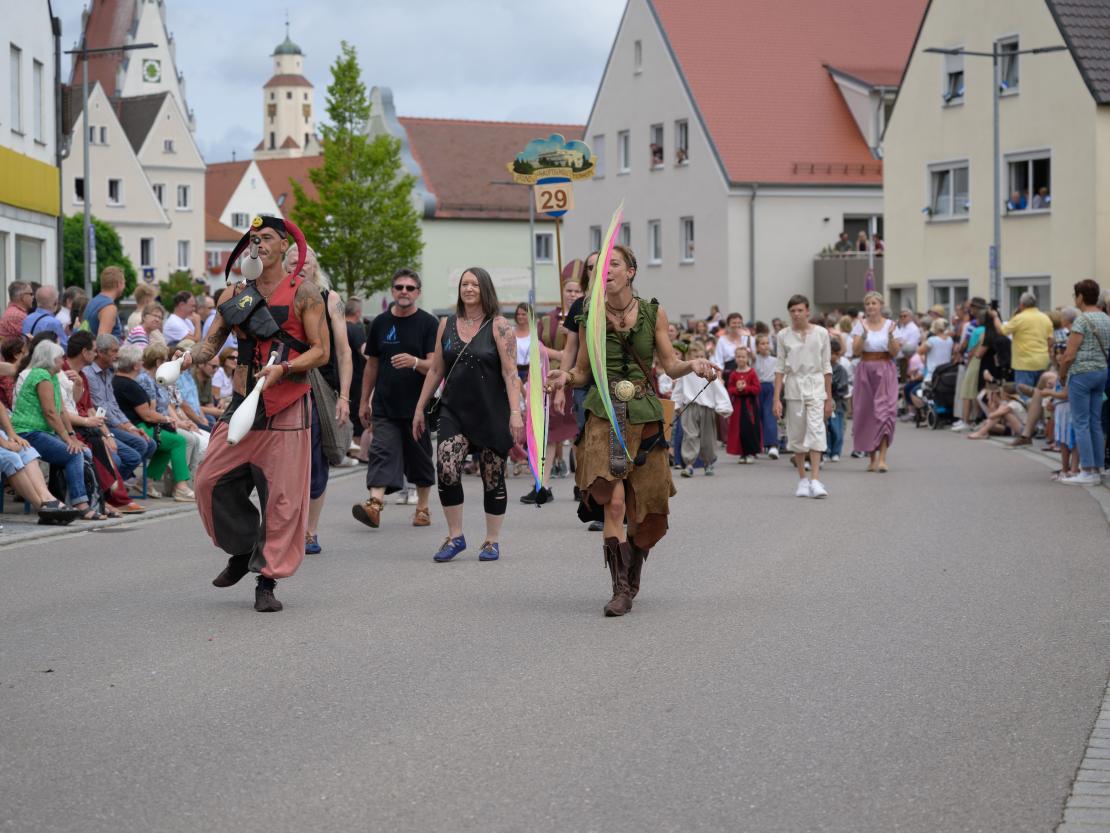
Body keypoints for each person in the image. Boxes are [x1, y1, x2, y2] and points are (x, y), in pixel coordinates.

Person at [547, 244, 718, 616]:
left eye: (615, 265)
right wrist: (564, 376)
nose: (605, 271)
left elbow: (670, 365)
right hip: (604, 413)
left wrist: (695, 365)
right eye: (600, 267)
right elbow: (580, 372)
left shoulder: (654, 313)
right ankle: (620, 588)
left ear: (631, 272)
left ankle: (634, 562)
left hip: (645, 413)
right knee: (615, 499)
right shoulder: (587, 316)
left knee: (647, 513)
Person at [181, 215, 327, 612]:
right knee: (209, 480)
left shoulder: (305, 293)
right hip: (242, 404)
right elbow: (210, 343)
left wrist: (285, 368)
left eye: (266, 238)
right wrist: (184, 359)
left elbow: (321, 350)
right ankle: (245, 549)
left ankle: (267, 580)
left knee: (281, 501)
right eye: (253, 238)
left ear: (284, 246)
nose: (257, 244)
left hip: (286, 406)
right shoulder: (234, 294)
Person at [411, 268, 521, 563]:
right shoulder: (445, 324)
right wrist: (420, 408)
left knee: (492, 476)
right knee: (446, 466)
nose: (468, 288)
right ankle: (455, 536)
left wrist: (515, 413)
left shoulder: (499, 326)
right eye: (464, 284)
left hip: (491, 411)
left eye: (474, 283)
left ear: (484, 288)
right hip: (454, 411)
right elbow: (436, 369)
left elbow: (511, 374)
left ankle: (491, 540)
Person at [353, 268, 438, 530]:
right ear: (392, 291)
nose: (404, 292)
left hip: (417, 407)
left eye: (410, 288)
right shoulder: (379, 322)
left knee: (420, 457)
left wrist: (414, 362)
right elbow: (372, 365)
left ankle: (422, 508)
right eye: (399, 287)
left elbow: (434, 367)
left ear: (418, 293)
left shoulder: (428, 323)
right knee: (381, 452)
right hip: (385, 405)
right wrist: (364, 401)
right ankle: (375, 505)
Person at [284, 243, 353, 556]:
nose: (300, 266)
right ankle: (285, 527)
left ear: (315, 266)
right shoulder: (274, 297)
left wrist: (345, 397)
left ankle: (310, 531)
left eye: (306, 261)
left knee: (315, 460)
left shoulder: (330, 299)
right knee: (282, 460)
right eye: (293, 261)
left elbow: (343, 351)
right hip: (280, 382)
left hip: (319, 385)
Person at [10, 340, 103, 520]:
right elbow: (51, 413)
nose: (63, 361)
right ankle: (81, 504)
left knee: (80, 450)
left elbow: (61, 411)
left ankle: (81, 500)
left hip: (40, 431)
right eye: (60, 358)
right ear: (50, 359)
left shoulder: (51, 376)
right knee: (74, 453)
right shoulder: (41, 376)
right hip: (27, 432)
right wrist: (68, 441)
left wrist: (72, 436)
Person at [62, 330, 144, 514]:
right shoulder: (68, 373)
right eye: (93, 350)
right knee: (112, 454)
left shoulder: (82, 375)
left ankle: (109, 497)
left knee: (133, 446)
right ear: (85, 352)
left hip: (90, 425)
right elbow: (65, 411)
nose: (95, 353)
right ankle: (106, 498)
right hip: (75, 427)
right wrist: (103, 430)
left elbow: (91, 407)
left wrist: (108, 433)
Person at [527, 269, 584, 502]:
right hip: (552, 379)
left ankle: (582, 484)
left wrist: (571, 338)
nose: (572, 295)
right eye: (569, 290)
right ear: (562, 291)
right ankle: (543, 484)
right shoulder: (548, 319)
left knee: (580, 434)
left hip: (577, 377)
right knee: (550, 433)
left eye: (577, 291)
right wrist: (560, 353)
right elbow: (536, 344)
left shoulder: (585, 314)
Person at [558, 251, 605, 532]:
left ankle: (621, 502)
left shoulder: (625, 305)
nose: (595, 270)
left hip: (616, 386)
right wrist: (563, 381)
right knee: (589, 446)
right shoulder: (580, 306)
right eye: (590, 267)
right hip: (584, 386)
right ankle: (597, 504)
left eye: (600, 265)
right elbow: (571, 349)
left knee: (614, 446)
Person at [113, 345, 195, 501]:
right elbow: (147, 415)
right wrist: (168, 419)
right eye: (140, 360)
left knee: (169, 443)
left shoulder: (126, 381)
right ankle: (182, 487)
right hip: (136, 427)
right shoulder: (131, 384)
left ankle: (147, 481)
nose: (142, 362)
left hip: (135, 425)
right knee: (179, 441)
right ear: (136, 364)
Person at [773, 295, 832, 498]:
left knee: (816, 430)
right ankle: (802, 479)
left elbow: (826, 367)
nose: (796, 314)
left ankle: (815, 479)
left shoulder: (822, 333)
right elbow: (780, 368)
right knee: (796, 434)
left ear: (808, 311)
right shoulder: (783, 335)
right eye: (793, 311)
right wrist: (776, 398)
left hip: (816, 386)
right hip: (794, 386)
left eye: (800, 310)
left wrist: (828, 398)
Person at [82, 334, 157, 487]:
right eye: (114, 351)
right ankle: (111, 488)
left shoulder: (109, 373)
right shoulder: (89, 374)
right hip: (99, 425)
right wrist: (124, 427)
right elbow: (101, 407)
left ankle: (118, 482)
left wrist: (130, 426)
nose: (118, 356)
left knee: (149, 444)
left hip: (109, 423)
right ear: (101, 353)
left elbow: (113, 405)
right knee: (138, 448)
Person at [1057, 279, 1110, 485]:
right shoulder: (1106, 319)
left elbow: (1069, 355)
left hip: (1082, 374)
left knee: (1081, 422)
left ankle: (1087, 470)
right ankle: (1098, 468)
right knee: (1095, 422)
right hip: (1101, 372)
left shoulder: (1082, 321)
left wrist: (1062, 375)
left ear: (1080, 296)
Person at [851, 291, 901, 471]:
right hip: (865, 368)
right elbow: (856, 351)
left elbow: (895, 352)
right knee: (866, 413)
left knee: (885, 412)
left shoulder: (891, 325)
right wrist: (864, 335)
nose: (871, 307)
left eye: (874, 303)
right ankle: (871, 458)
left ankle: (882, 458)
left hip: (885, 368)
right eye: (868, 304)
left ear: (880, 305)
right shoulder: (860, 325)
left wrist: (890, 337)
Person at [673, 343, 729, 475]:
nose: (700, 359)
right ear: (690, 358)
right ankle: (689, 464)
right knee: (690, 435)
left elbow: (719, 389)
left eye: (702, 356)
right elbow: (679, 390)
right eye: (696, 357)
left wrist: (723, 406)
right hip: (689, 407)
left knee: (708, 437)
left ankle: (708, 462)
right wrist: (676, 405)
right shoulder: (685, 373)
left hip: (707, 408)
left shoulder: (711, 372)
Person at [990, 291, 1053, 391]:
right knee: (1039, 396)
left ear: (1022, 304)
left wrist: (995, 316)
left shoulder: (1019, 318)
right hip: (1042, 362)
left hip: (1024, 364)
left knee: (1024, 397)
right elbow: (1050, 341)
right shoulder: (1045, 318)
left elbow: (1002, 331)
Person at [727, 345, 761, 462]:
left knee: (749, 428)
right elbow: (730, 389)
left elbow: (757, 388)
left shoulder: (751, 372)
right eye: (738, 357)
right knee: (739, 429)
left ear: (747, 358)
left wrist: (746, 388)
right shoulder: (733, 374)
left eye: (743, 357)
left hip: (749, 405)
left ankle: (750, 452)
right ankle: (742, 453)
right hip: (738, 406)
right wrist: (737, 390)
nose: (740, 359)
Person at [345, 296, 367, 446]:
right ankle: (356, 445)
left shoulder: (338, 326)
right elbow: (366, 353)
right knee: (356, 410)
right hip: (356, 377)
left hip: (339, 376)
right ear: (358, 312)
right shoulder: (356, 329)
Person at [84, 266, 126, 339]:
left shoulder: (92, 302)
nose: (124, 286)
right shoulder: (109, 307)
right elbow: (102, 343)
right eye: (124, 283)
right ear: (118, 284)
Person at [826, 336, 849, 462]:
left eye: (835, 353)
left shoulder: (841, 370)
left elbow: (843, 387)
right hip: (824, 401)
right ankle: (827, 450)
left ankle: (836, 452)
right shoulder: (822, 367)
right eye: (830, 353)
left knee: (837, 429)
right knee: (826, 428)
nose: (833, 356)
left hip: (838, 403)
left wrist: (833, 385)